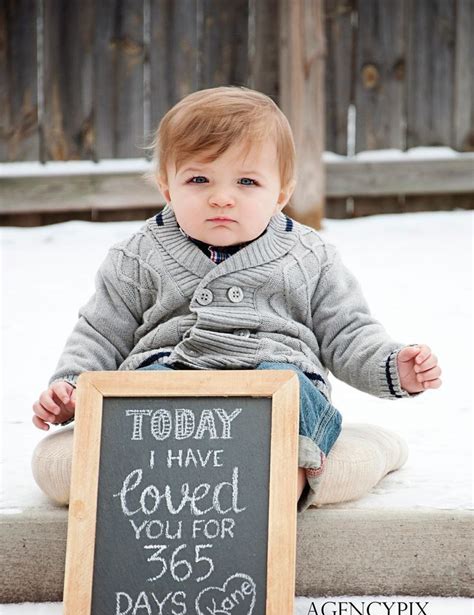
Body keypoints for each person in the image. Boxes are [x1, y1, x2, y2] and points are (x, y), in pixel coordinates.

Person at [31, 86, 442, 512]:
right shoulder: (137, 256)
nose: (222, 196)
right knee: (138, 398)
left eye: (247, 181)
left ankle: (282, 483)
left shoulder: (308, 255)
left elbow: (348, 331)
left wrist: (392, 365)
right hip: (171, 376)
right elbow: (101, 332)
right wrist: (71, 387)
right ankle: (154, 483)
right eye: (198, 179)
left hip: (273, 378)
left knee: (293, 392)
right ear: (167, 188)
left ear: (280, 192)